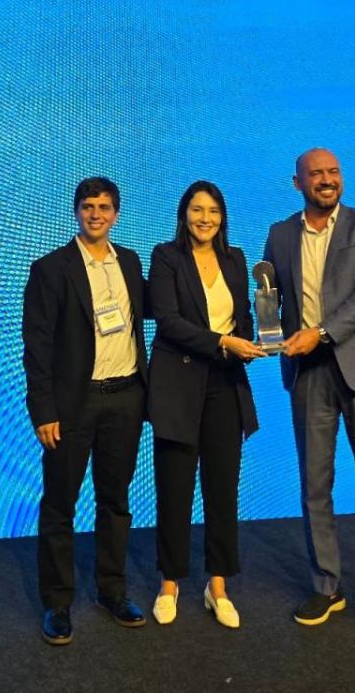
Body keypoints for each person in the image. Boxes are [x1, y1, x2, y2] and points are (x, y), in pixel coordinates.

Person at [262, 148, 355, 645]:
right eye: (316, 174)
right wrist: (257, 333)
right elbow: (269, 299)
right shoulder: (280, 234)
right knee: (314, 485)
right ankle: (327, 585)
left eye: (333, 172)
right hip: (307, 373)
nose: (326, 180)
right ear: (297, 182)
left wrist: (320, 332)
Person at [22, 177, 150, 646]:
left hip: (126, 399)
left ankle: (112, 591)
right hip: (71, 407)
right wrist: (43, 411)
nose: (96, 213)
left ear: (117, 213)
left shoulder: (132, 264)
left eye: (105, 206)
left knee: (115, 501)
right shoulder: (51, 269)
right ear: (76, 211)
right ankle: (57, 603)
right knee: (60, 505)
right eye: (88, 206)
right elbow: (36, 349)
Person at [147, 181, 265, 629]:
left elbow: (245, 318)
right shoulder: (165, 256)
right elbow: (169, 321)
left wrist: (255, 339)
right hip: (177, 385)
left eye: (213, 210)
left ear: (222, 216)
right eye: (197, 210)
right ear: (184, 214)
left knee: (222, 490)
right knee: (174, 490)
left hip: (225, 386)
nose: (205, 218)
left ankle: (217, 585)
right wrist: (223, 341)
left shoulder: (236, 259)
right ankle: (169, 582)